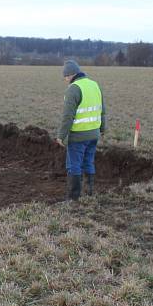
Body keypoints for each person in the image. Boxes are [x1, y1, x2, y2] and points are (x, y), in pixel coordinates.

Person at [55, 59, 106, 201]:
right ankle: (89, 193)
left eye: (65, 77)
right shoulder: (94, 85)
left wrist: (61, 136)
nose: (65, 80)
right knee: (88, 162)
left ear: (70, 75)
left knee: (74, 165)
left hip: (78, 136)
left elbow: (67, 116)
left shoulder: (73, 88)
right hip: (94, 134)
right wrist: (102, 128)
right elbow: (103, 110)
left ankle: (73, 198)